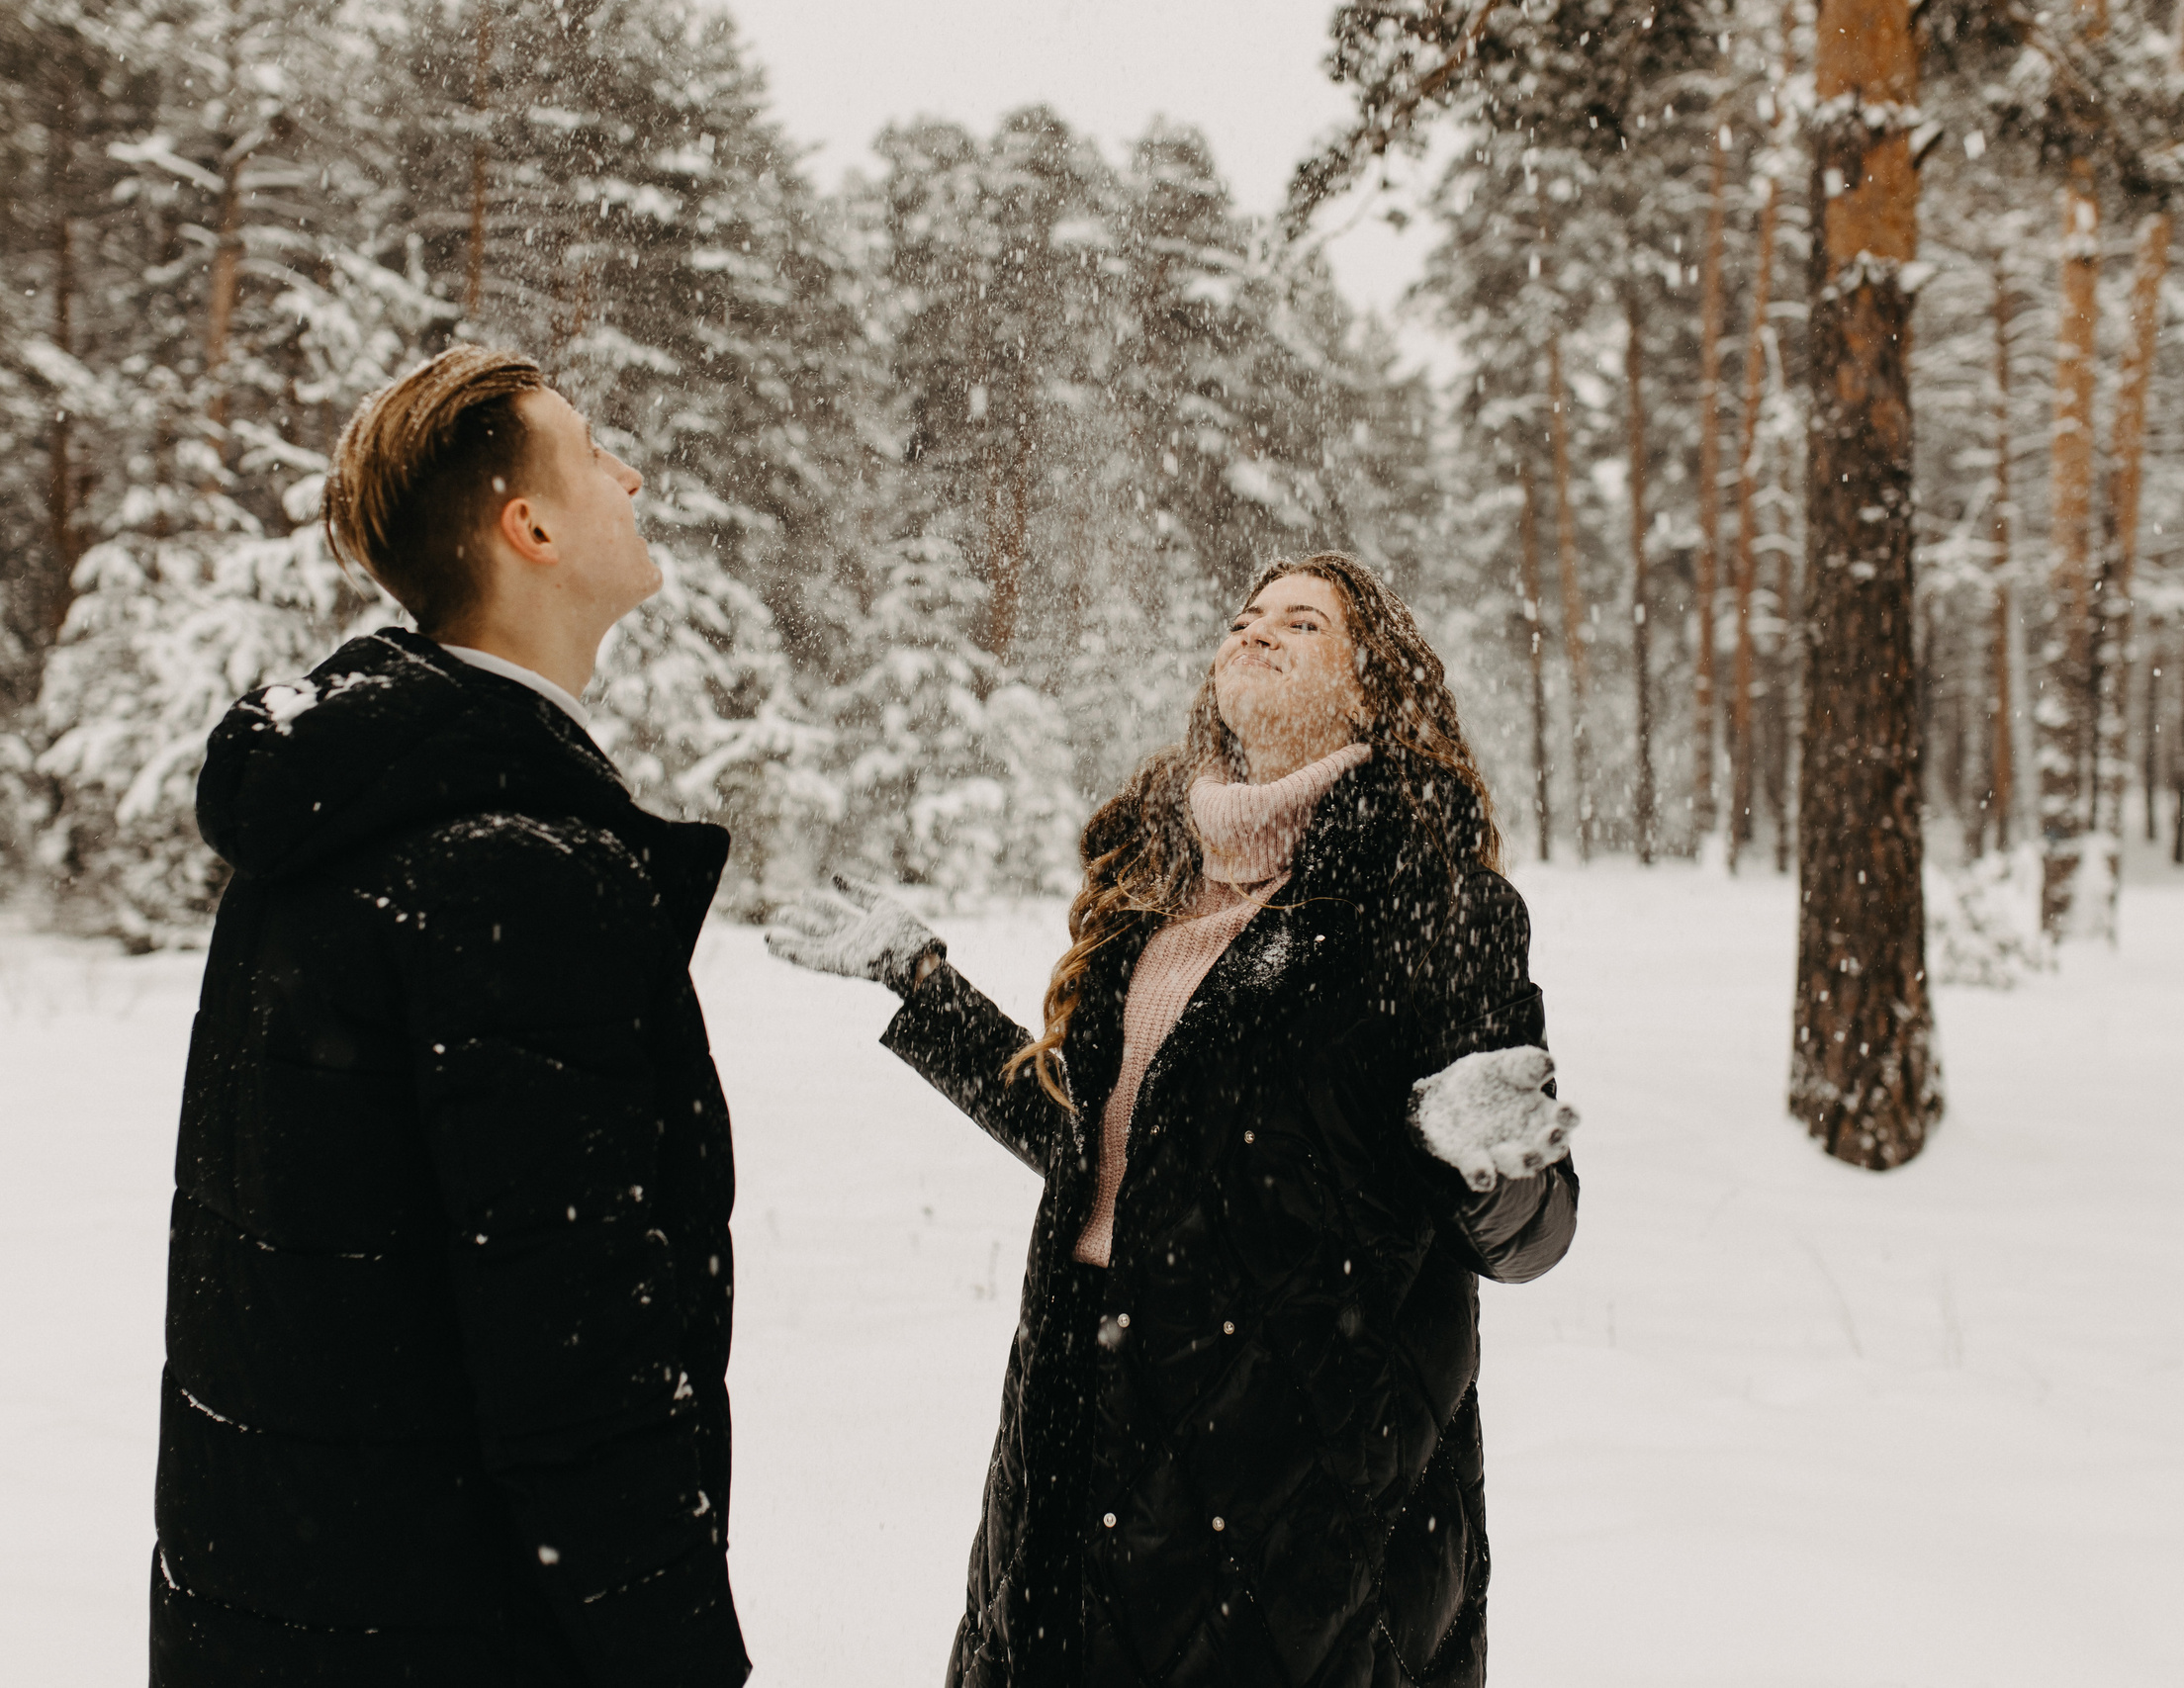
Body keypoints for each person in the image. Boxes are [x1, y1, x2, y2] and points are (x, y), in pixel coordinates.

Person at [770, 553, 1580, 1687]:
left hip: (1301, 1459)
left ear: (1369, 689)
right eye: (1246, 617)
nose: (1256, 632)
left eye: (1302, 624)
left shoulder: (1432, 897)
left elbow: (1534, 1234)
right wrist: (923, 987)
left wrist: (1490, 1170)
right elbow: (1101, 1155)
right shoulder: (1157, 889)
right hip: (1081, 1403)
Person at [150, 346, 751, 1687]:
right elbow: (575, 1349)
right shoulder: (512, 866)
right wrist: (680, 1651)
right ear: (527, 527)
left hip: (287, 1615)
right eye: (595, 454)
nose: (630, 473)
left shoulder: (331, 817)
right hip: (460, 1629)